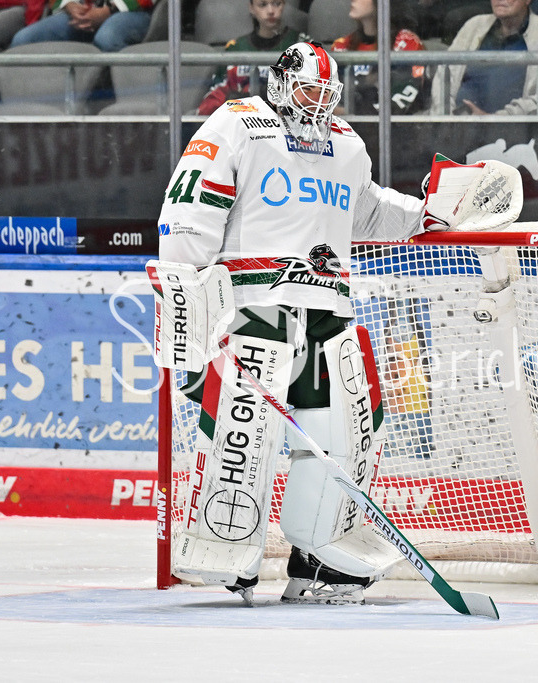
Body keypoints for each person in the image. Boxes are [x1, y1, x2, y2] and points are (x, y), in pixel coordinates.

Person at [152, 41, 473, 605]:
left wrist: (427, 214)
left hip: (329, 314)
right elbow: (189, 211)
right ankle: (230, 548)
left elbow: (366, 209)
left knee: (343, 437)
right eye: (308, 91)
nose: (319, 104)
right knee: (244, 435)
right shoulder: (238, 124)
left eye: (329, 94)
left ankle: (321, 558)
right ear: (279, 85)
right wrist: (187, 300)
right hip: (254, 310)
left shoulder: (347, 144)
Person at [429, 0, 538, 115]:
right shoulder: (474, 25)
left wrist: (492, 121)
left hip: (511, 134)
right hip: (454, 128)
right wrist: (447, 119)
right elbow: (444, 78)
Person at [196, 0, 308, 116]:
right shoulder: (235, 49)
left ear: (283, 5)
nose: (270, 11)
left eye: (276, 3)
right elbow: (211, 104)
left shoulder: (302, 46)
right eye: (262, 5)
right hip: (241, 123)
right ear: (251, 8)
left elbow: (315, 97)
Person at [331, 0, 428, 115]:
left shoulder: (407, 43)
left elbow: (402, 101)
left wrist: (353, 112)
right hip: (343, 128)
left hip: (395, 128)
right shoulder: (342, 46)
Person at [9, 0, 152, 52]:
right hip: (83, 12)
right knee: (23, 40)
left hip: (133, 12)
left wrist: (109, 10)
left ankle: (113, 97)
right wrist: (69, 5)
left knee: (106, 39)